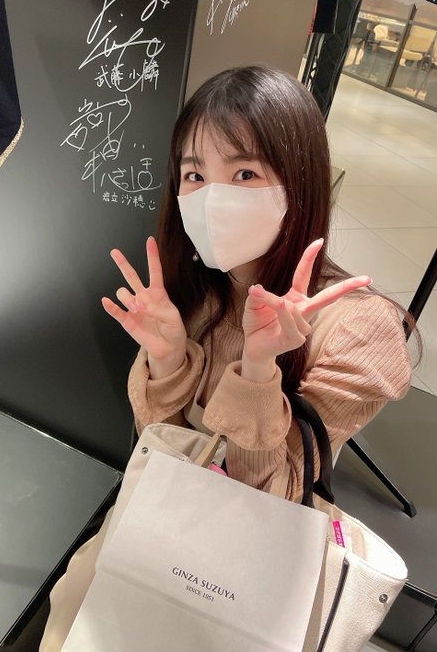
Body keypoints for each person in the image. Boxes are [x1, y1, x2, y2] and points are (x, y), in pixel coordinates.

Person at [102, 65, 413, 500]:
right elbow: (158, 450)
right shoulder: (190, 292)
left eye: (245, 174)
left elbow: (269, 498)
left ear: (299, 183)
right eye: (195, 176)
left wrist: (258, 368)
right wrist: (168, 361)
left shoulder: (358, 331)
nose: (212, 199)